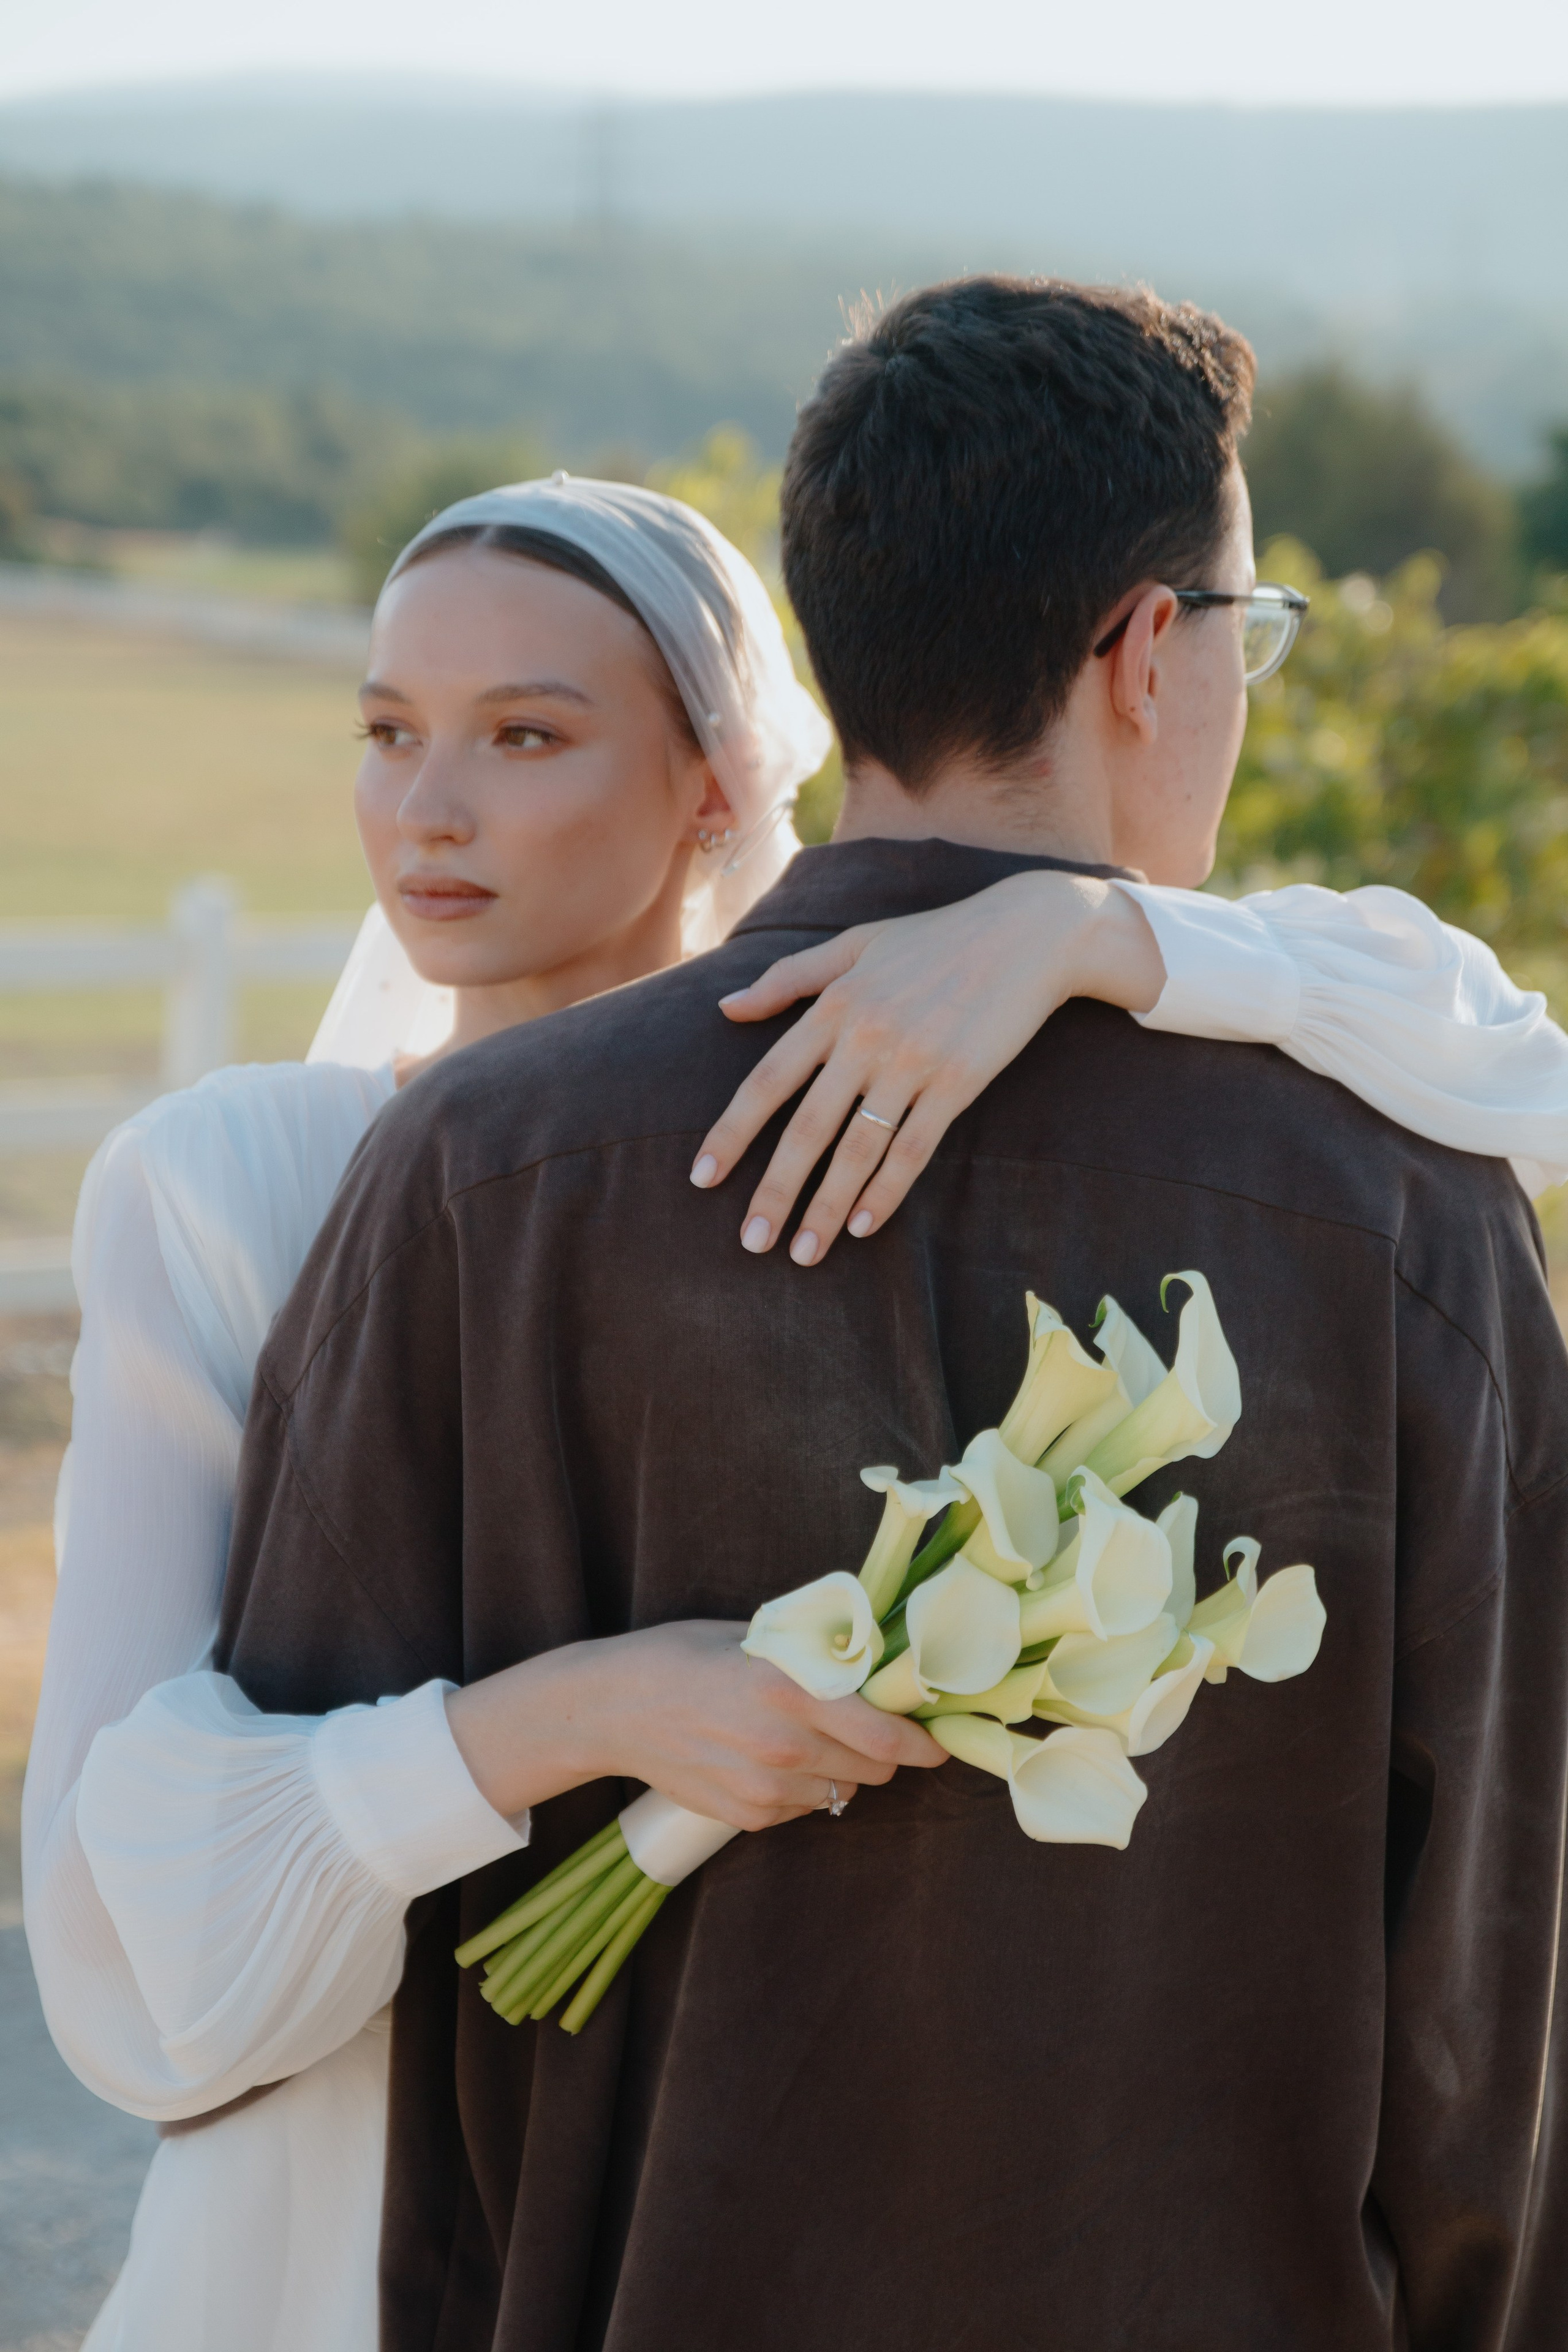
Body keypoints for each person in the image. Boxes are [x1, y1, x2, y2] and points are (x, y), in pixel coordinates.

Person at [211, 279, 1568, 2352]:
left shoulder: (480, 1175)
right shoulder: (1406, 1204)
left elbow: (346, 1901)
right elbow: (1496, 1960)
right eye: (1248, 631)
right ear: (1146, 650)